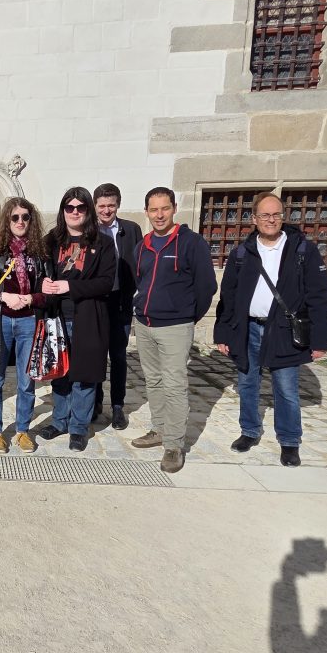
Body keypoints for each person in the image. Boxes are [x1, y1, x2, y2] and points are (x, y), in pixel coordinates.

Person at [213, 191, 327, 467]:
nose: (271, 220)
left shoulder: (302, 249)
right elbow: (228, 297)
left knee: (286, 388)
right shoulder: (243, 252)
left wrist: (321, 340)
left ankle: (290, 441)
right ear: (254, 219)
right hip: (249, 329)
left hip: (283, 331)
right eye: (265, 215)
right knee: (247, 383)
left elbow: (320, 296)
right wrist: (222, 333)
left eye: (276, 214)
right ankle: (249, 431)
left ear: (283, 216)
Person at [129, 186, 217, 473]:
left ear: (174, 208)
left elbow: (206, 287)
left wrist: (187, 316)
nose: (159, 215)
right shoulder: (141, 246)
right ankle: (159, 430)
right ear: (147, 212)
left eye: (164, 208)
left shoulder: (191, 243)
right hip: (145, 324)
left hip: (176, 327)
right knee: (153, 381)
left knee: (175, 385)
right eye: (153, 209)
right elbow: (139, 282)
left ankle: (174, 445)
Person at [39, 188, 117, 451]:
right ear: (63, 211)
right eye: (69, 207)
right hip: (56, 317)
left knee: (84, 375)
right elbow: (38, 271)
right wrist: (45, 283)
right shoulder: (50, 241)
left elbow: (106, 283)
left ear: (88, 211)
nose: (74, 212)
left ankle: (79, 427)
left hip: (88, 318)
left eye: (80, 207)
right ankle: (59, 421)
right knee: (60, 373)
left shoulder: (103, 243)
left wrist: (69, 288)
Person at [0, 197, 48, 454]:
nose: (20, 222)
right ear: (7, 219)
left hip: (28, 321)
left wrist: (31, 298)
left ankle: (23, 431)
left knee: (27, 381)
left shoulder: (39, 251)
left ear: (31, 220)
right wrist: (4, 296)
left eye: (25, 217)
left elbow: (48, 292)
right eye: (15, 217)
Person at [93, 182, 143, 430]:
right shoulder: (89, 230)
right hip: (97, 304)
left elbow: (140, 264)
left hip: (121, 303)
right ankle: (95, 402)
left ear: (118, 205)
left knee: (119, 357)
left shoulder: (131, 230)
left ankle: (117, 406)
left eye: (110, 205)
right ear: (95, 206)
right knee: (96, 355)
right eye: (102, 205)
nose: (106, 210)